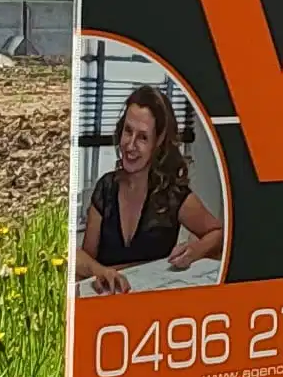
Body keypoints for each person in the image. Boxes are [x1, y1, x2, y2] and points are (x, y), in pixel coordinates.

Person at [81, 79, 223, 292]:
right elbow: (83, 257)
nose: (130, 145)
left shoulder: (173, 195)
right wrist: (100, 271)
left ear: (158, 143)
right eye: (128, 131)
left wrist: (195, 250)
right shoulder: (106, 188)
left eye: (143, 137)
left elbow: (218, 233)